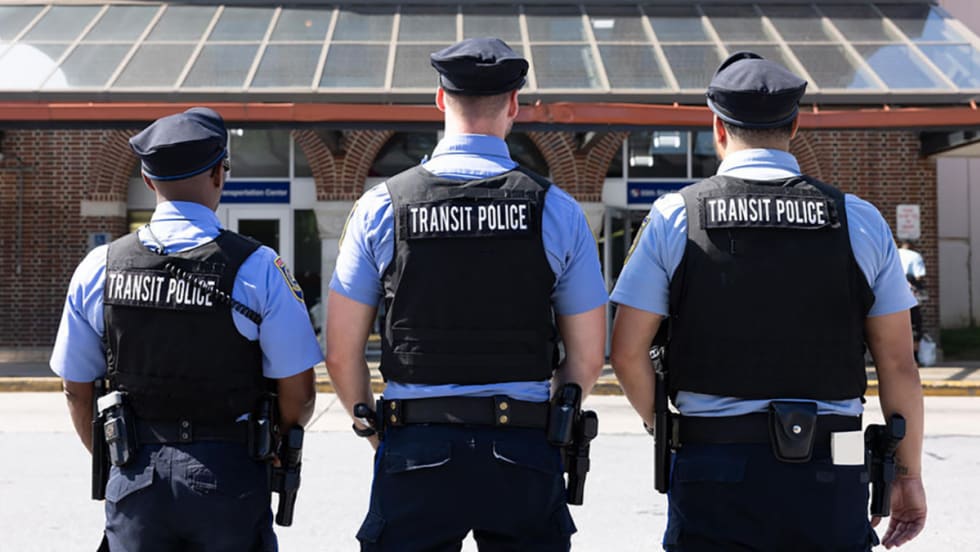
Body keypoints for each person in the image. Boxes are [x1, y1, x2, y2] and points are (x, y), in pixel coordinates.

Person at [610, 52, 926, 551]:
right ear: (795, 124)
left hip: (713, 463)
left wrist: (667, 427)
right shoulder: (860, 220)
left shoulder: (676, 216)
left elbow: (627, 353)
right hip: (833, 465)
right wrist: (907, 474)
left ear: (717, 127)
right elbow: (899, 364)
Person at [326, 37, 607, 551]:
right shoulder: (558, 210)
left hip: (415, 449)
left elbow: (341, 352)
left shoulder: (381, 207)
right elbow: (587, 358)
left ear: (439, 99)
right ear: (514, 105)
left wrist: (375, 431)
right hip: (521, 450)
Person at [50, 107, 320, 551]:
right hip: (229, 475)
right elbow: (299, 395)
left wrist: (121, 457)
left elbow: (76, 390)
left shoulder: (99, 267)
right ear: (219, 174)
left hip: (135, 473)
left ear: (148, 179)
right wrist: (271, 442)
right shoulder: (259, 268)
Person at [898, 240, 927, 354]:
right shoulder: (915, 256)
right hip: (910, 296)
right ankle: (914, 356)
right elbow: (919, 276)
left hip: (893, 296)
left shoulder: (894, 253)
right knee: (915, 325)